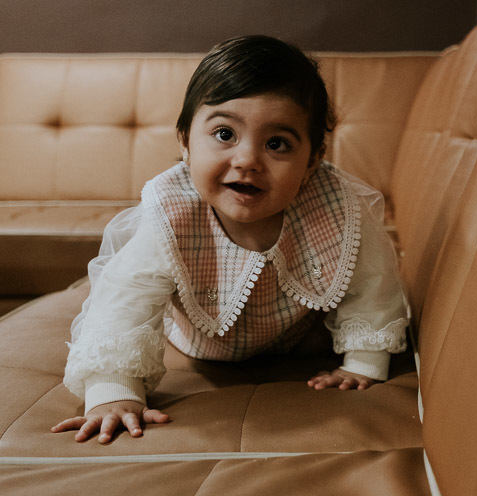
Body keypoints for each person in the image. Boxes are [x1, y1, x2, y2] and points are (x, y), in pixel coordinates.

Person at [52, 35, 409, 444]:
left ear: (313, 160)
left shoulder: (333, 207)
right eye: (224, 134)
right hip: (201, 344)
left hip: (297, 337)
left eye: (277, 144)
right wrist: (113, 393)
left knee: (334, 312)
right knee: (130, 290)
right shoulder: (173, 215)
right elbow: (123, 304)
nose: (247, 160)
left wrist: (364, 362)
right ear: (185, 141)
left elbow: (372, 284)